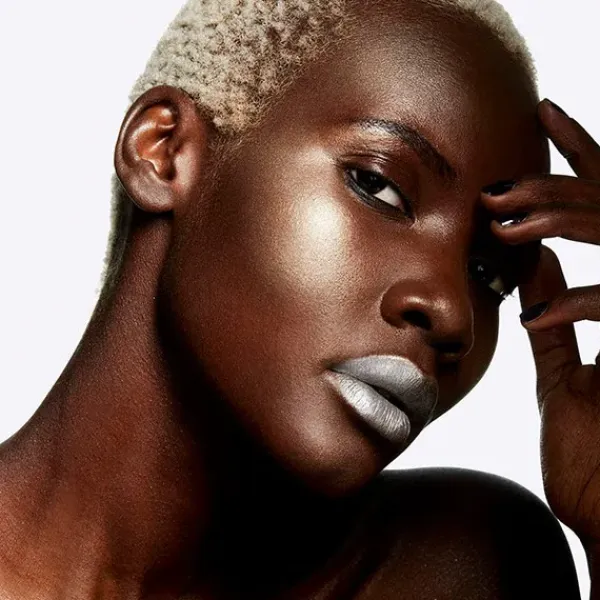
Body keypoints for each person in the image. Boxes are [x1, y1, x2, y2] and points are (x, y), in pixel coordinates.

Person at [1, 0, 599, 597]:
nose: (452, 314)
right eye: (377, 186)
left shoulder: (468, 567)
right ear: (163, 151)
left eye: (489, 276)